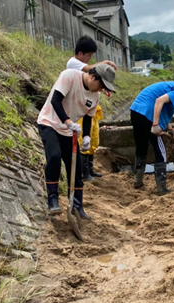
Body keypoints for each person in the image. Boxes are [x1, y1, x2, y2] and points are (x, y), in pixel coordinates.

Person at [37, 64, 116, 217]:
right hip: (50, 123)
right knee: (54, 157)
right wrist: (68, 122)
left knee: (76, 167)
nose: (100, 89)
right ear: (92, 76)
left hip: (68, 131)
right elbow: (55, 100)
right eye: (101, 85)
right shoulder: (70, 76)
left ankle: (76, 205)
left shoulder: (95, 95)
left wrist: (86, 136)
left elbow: (88, 116)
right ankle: (53, 200)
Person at [129, 78, 174, 195]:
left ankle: (137, 181)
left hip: (136, 111)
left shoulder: (172, 86)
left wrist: (169, 127)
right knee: (161, 151)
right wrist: (155, 124)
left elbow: (163, 109)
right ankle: (161, 188)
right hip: (148, 114)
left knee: (141, 146)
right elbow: (159, 101)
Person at [67, 35, 116, 181]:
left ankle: (90, 169)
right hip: (79, 106)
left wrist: (103, 89)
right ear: (81, 53)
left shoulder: (82, 66)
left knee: (92, 137)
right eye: (89, 55)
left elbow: (92, 81)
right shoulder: (72, 63)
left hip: (90, 103)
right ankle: (84, 172)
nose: (89, 59)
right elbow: (92, 71)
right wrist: (104, 64)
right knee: (82, 138)